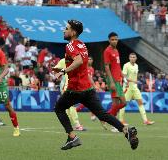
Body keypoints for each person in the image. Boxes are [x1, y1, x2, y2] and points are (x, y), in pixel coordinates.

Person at [54, 20, 138, 150]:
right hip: (88, 89)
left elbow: (78, 60)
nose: (64, 30)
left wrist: (64, 71)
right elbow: (81, 62)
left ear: (73, 32)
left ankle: (72, 137)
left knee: (59, 108)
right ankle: (126, 131)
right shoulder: (82, 45)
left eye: (66, 28)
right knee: (103, 114)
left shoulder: (70, 46)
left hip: (75, 89)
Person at [119, 53, 155, 125]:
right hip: (127, 87)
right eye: (131, 57)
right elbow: (124, 77)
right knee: (123, 104)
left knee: (140, 103)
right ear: (129, 58)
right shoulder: (126, 65)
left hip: (135, 88)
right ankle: (121, 120)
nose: (132, 58)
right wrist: (133, 81)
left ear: (136, 58)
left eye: (134, 57)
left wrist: (135, 82)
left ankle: (145, 121)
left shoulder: (136, 66)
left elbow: (134, 77)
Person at [53, 58, 86, 131]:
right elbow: (55, 70)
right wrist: (59, 77)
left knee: (67, 106)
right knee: (72, 105)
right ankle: (77, 125)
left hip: (71, 85)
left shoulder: (76, 60)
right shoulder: (63, 61)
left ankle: (66, 124)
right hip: (66, 85)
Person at [104, 32, 127, 117]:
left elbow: (117, 65)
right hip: (113, 80)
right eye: (112, 40)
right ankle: (113, 123)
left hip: (118, 79)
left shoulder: (116, 50)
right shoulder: (107, 51)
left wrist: (123, 76)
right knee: (118, 103)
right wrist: (112, 82)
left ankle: (105, 117)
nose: (114, 41)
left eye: (116, 39)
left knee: (120, 104)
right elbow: (106, 67)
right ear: (109, 40)